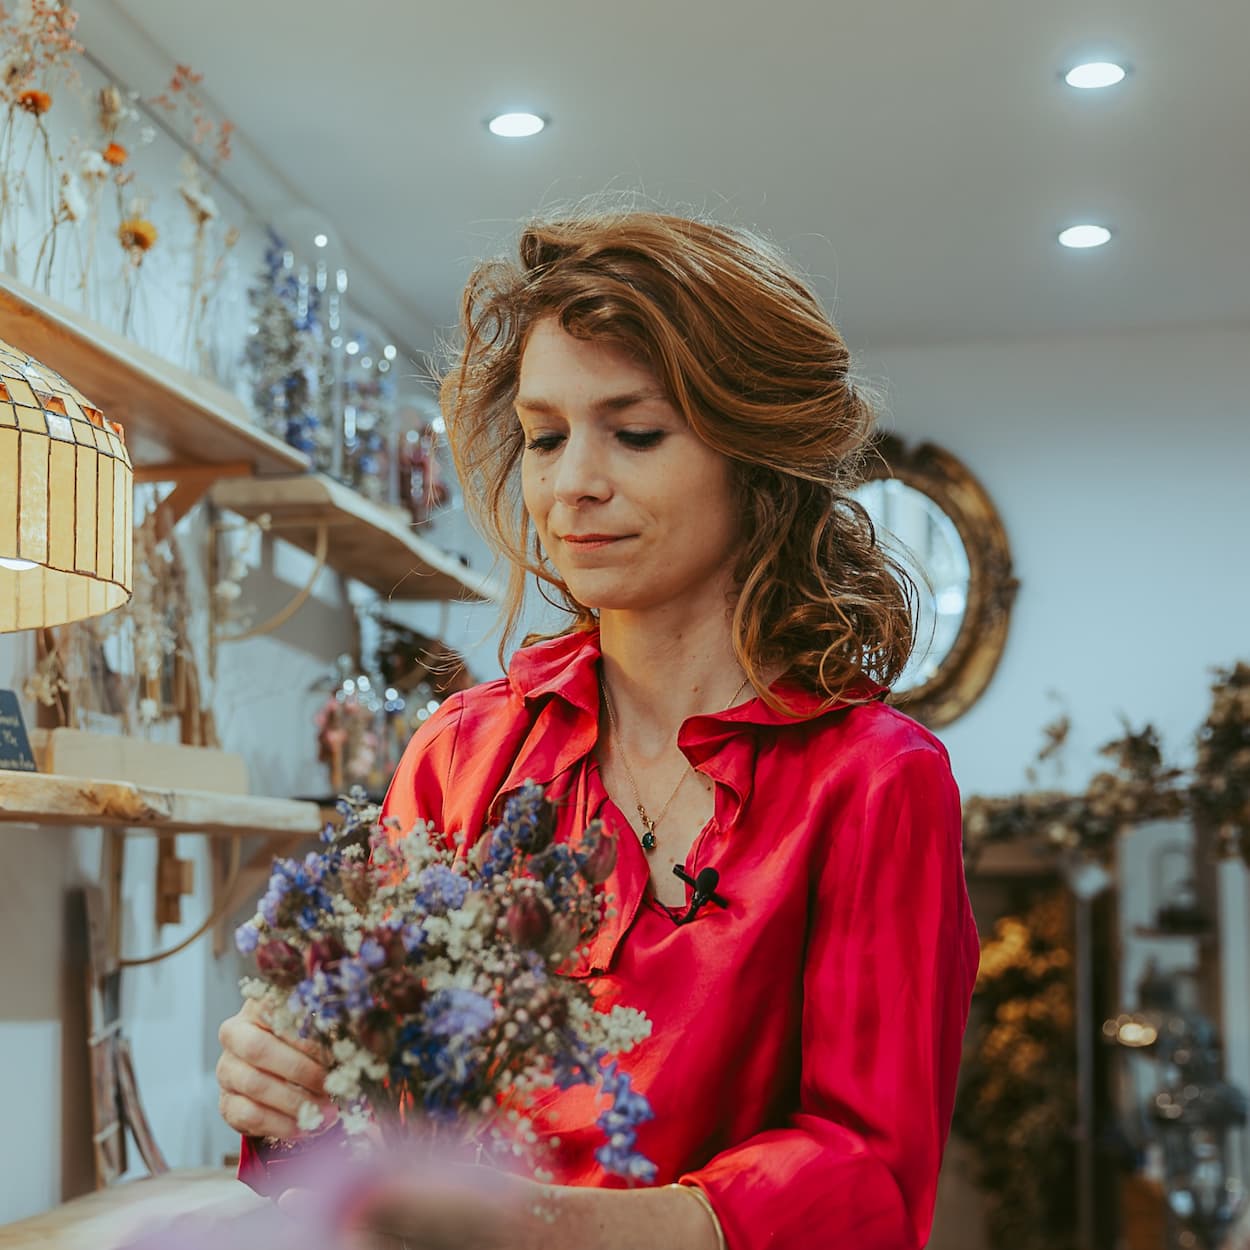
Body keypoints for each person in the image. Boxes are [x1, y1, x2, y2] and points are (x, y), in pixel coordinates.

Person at [216, 209, 982, 1250]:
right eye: (544, 436)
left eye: (635, 432)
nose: (571, 483)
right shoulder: (461, 753)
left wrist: (557, 1229)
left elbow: (868, 1173)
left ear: (755, 454)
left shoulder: (874, 780)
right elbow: (363, 1126)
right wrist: (286, 1091)